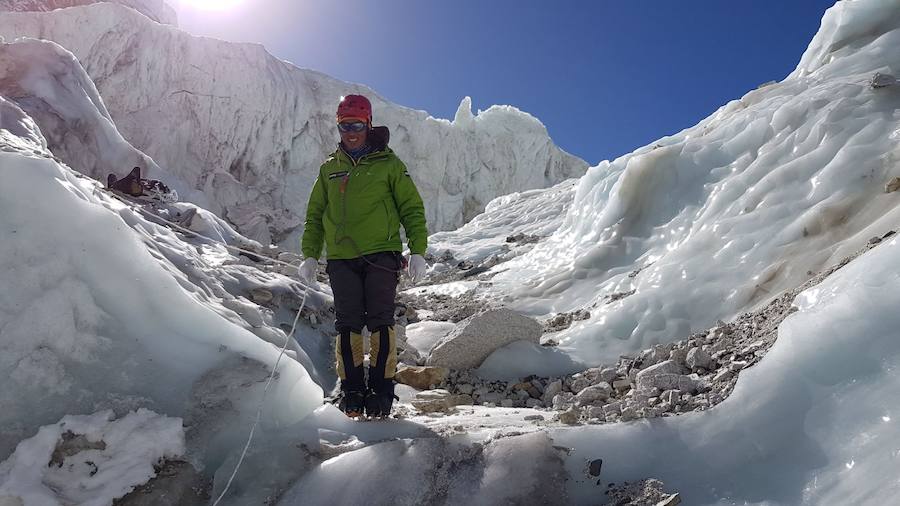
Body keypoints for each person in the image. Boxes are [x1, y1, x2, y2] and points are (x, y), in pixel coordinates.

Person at [299, 94, 428, 417]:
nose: (351, 132)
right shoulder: (330, 168)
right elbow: (315, 215)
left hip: (382, 254)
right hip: (341, 258)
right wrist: (310, 254)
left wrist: (418, 250)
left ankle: (382, 393)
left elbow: (411, 207)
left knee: (381, 323)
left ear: (368, 124)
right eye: (345, 126)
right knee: (348, 325)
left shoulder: (389, 163)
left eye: (357, 125)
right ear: (339, 127)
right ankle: (352, 390)